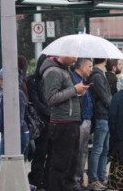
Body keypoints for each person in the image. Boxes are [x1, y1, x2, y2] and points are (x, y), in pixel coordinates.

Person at [40, 56, 89, 191]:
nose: (75, 58)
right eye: (72, 54)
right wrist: (74, 90)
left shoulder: (65, 69)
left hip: (71, 122)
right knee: (61, 164)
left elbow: (65, 94)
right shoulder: (54, 71)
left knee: (71, 163)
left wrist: (78, 92)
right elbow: (51, 98)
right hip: (62, 123)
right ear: (63, 53)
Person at [0, 69, 30, 167]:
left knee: (6, 167)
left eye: (2, 79)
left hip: (16, 135)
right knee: (3, 167)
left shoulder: (17, 94)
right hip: (9, 135)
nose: (0, 82)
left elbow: (19, 119)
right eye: (0, 79)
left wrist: (10, 135)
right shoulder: (5, 94)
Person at [27, 54, 51, 190]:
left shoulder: (49, 79)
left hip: (51, 121)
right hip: (41, 123)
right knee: (40, 153)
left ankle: (46, 180)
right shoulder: (33, 80)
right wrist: (51, 112)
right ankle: (37, 180)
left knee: (51, 153)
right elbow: (36, 103)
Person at [87, 58, 112, 190]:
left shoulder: (100, 74)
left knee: (104, 149)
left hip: (105, 116)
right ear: (105, 59)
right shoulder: (97, 76)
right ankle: (93, 178)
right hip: (102, 115)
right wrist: (112, 106)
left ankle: (102, 176)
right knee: (98, 148)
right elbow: (104, 96)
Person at [71, 58, 94, 190]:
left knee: (83, 151)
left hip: (86, 118)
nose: (91, 69)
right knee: (78, 151)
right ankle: (76, 180)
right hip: (80, 119)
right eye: (89, 66)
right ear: (82, 67)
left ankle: (79, 180)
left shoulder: (84, 80)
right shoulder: (75, 80)